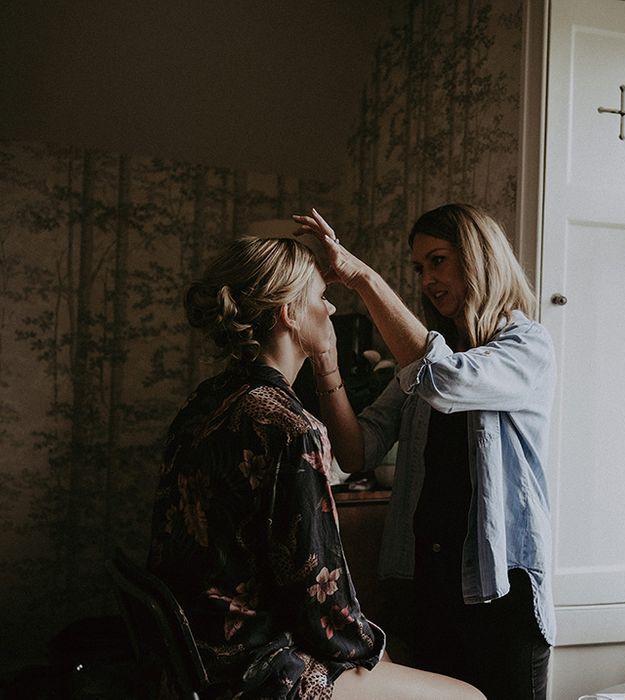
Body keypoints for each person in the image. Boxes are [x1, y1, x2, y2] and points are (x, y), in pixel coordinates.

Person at [147, 235, 484, 700]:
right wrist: (374, 649)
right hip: (257, 668)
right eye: (321, 298)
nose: (329, 310)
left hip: (195, 653)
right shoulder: (289, 427)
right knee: (469, 697)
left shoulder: (205, 402)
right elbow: (321, 606)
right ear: (289, 314)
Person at [292, 204, 555, 700]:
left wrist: (360, 277)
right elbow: (356, 450)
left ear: (479, 259)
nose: (427, 279)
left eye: (438, 261)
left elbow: (445, 379)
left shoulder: (528, 347)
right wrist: (325, 359)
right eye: (419, 267)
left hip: (500, 593)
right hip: (425, 587)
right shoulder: (421, 360)